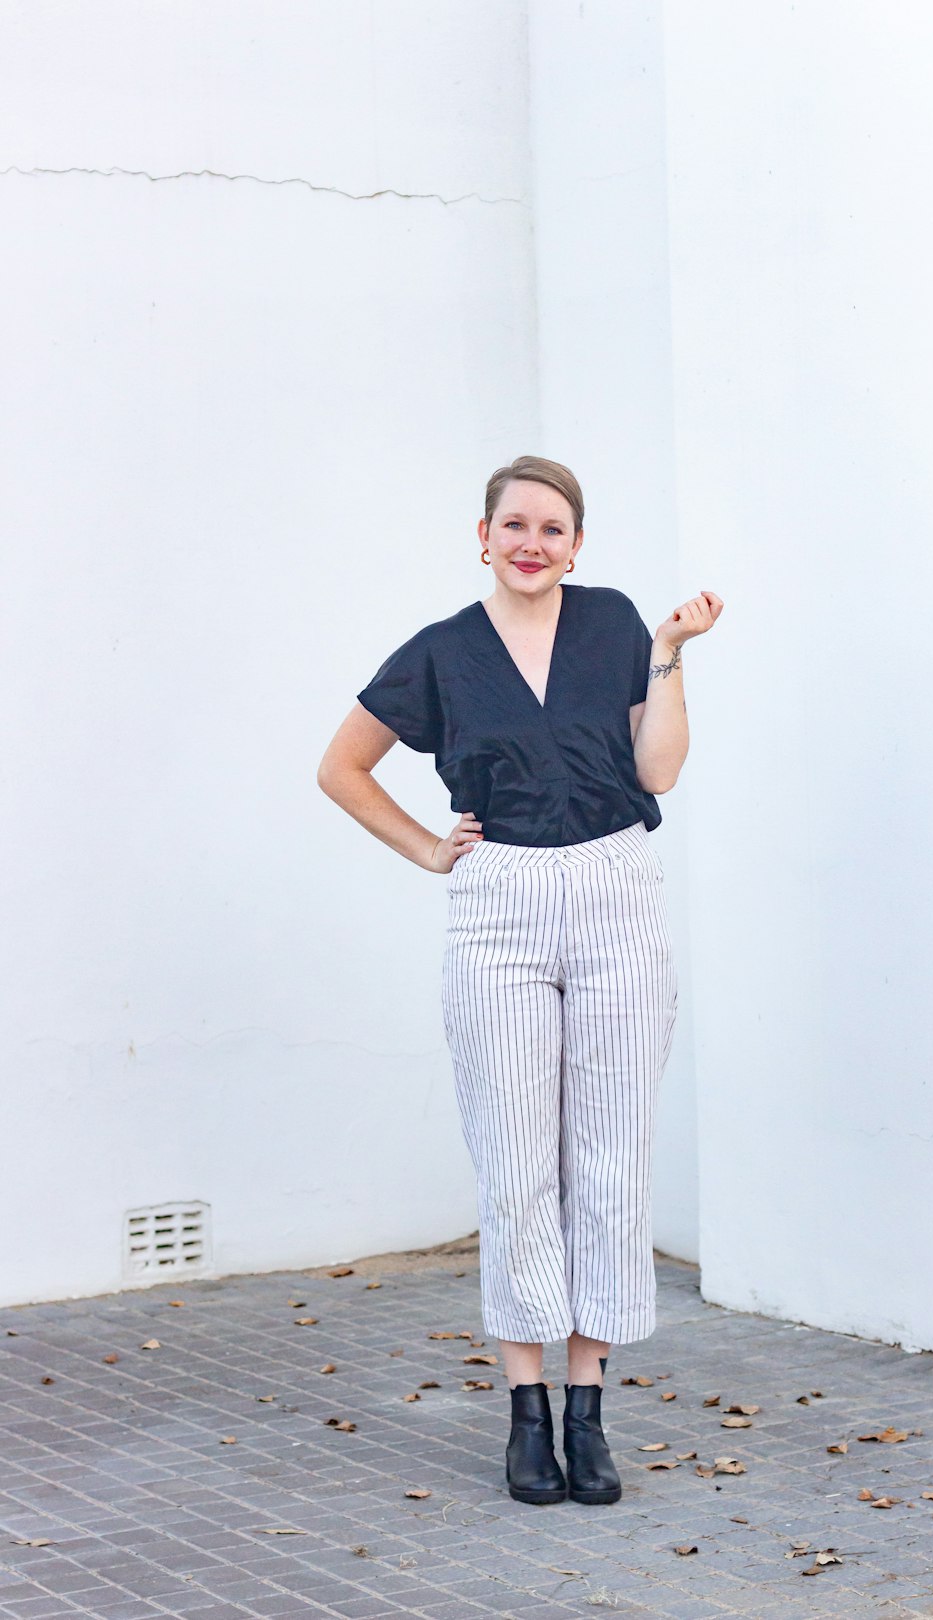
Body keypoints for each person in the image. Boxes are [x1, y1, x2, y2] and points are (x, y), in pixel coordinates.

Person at [317, 455, 723, 1506]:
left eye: (553, 528)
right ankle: (526, 1411)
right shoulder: (445, 652)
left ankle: (590, 1412)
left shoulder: (618, 625)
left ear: (576, 546)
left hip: (614, 893)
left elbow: (659, 772)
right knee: (514, 1161)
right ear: (483, 534)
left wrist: (671, 654)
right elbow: (342, 766)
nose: (533, 542)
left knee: (609, 1158)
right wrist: (424, 847)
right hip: (499, 909)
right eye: (516, 525)